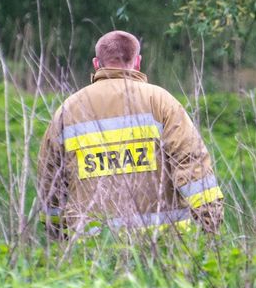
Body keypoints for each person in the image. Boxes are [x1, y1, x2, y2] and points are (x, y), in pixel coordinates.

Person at [36, 30, 224, 240]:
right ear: (138, 62)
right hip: (164, 247)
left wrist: (57, 235)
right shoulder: (161, 102)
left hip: (92, 251)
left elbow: (50, 181)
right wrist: (211, 227)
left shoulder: (68, 110)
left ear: (97, 64)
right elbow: (191, 165)